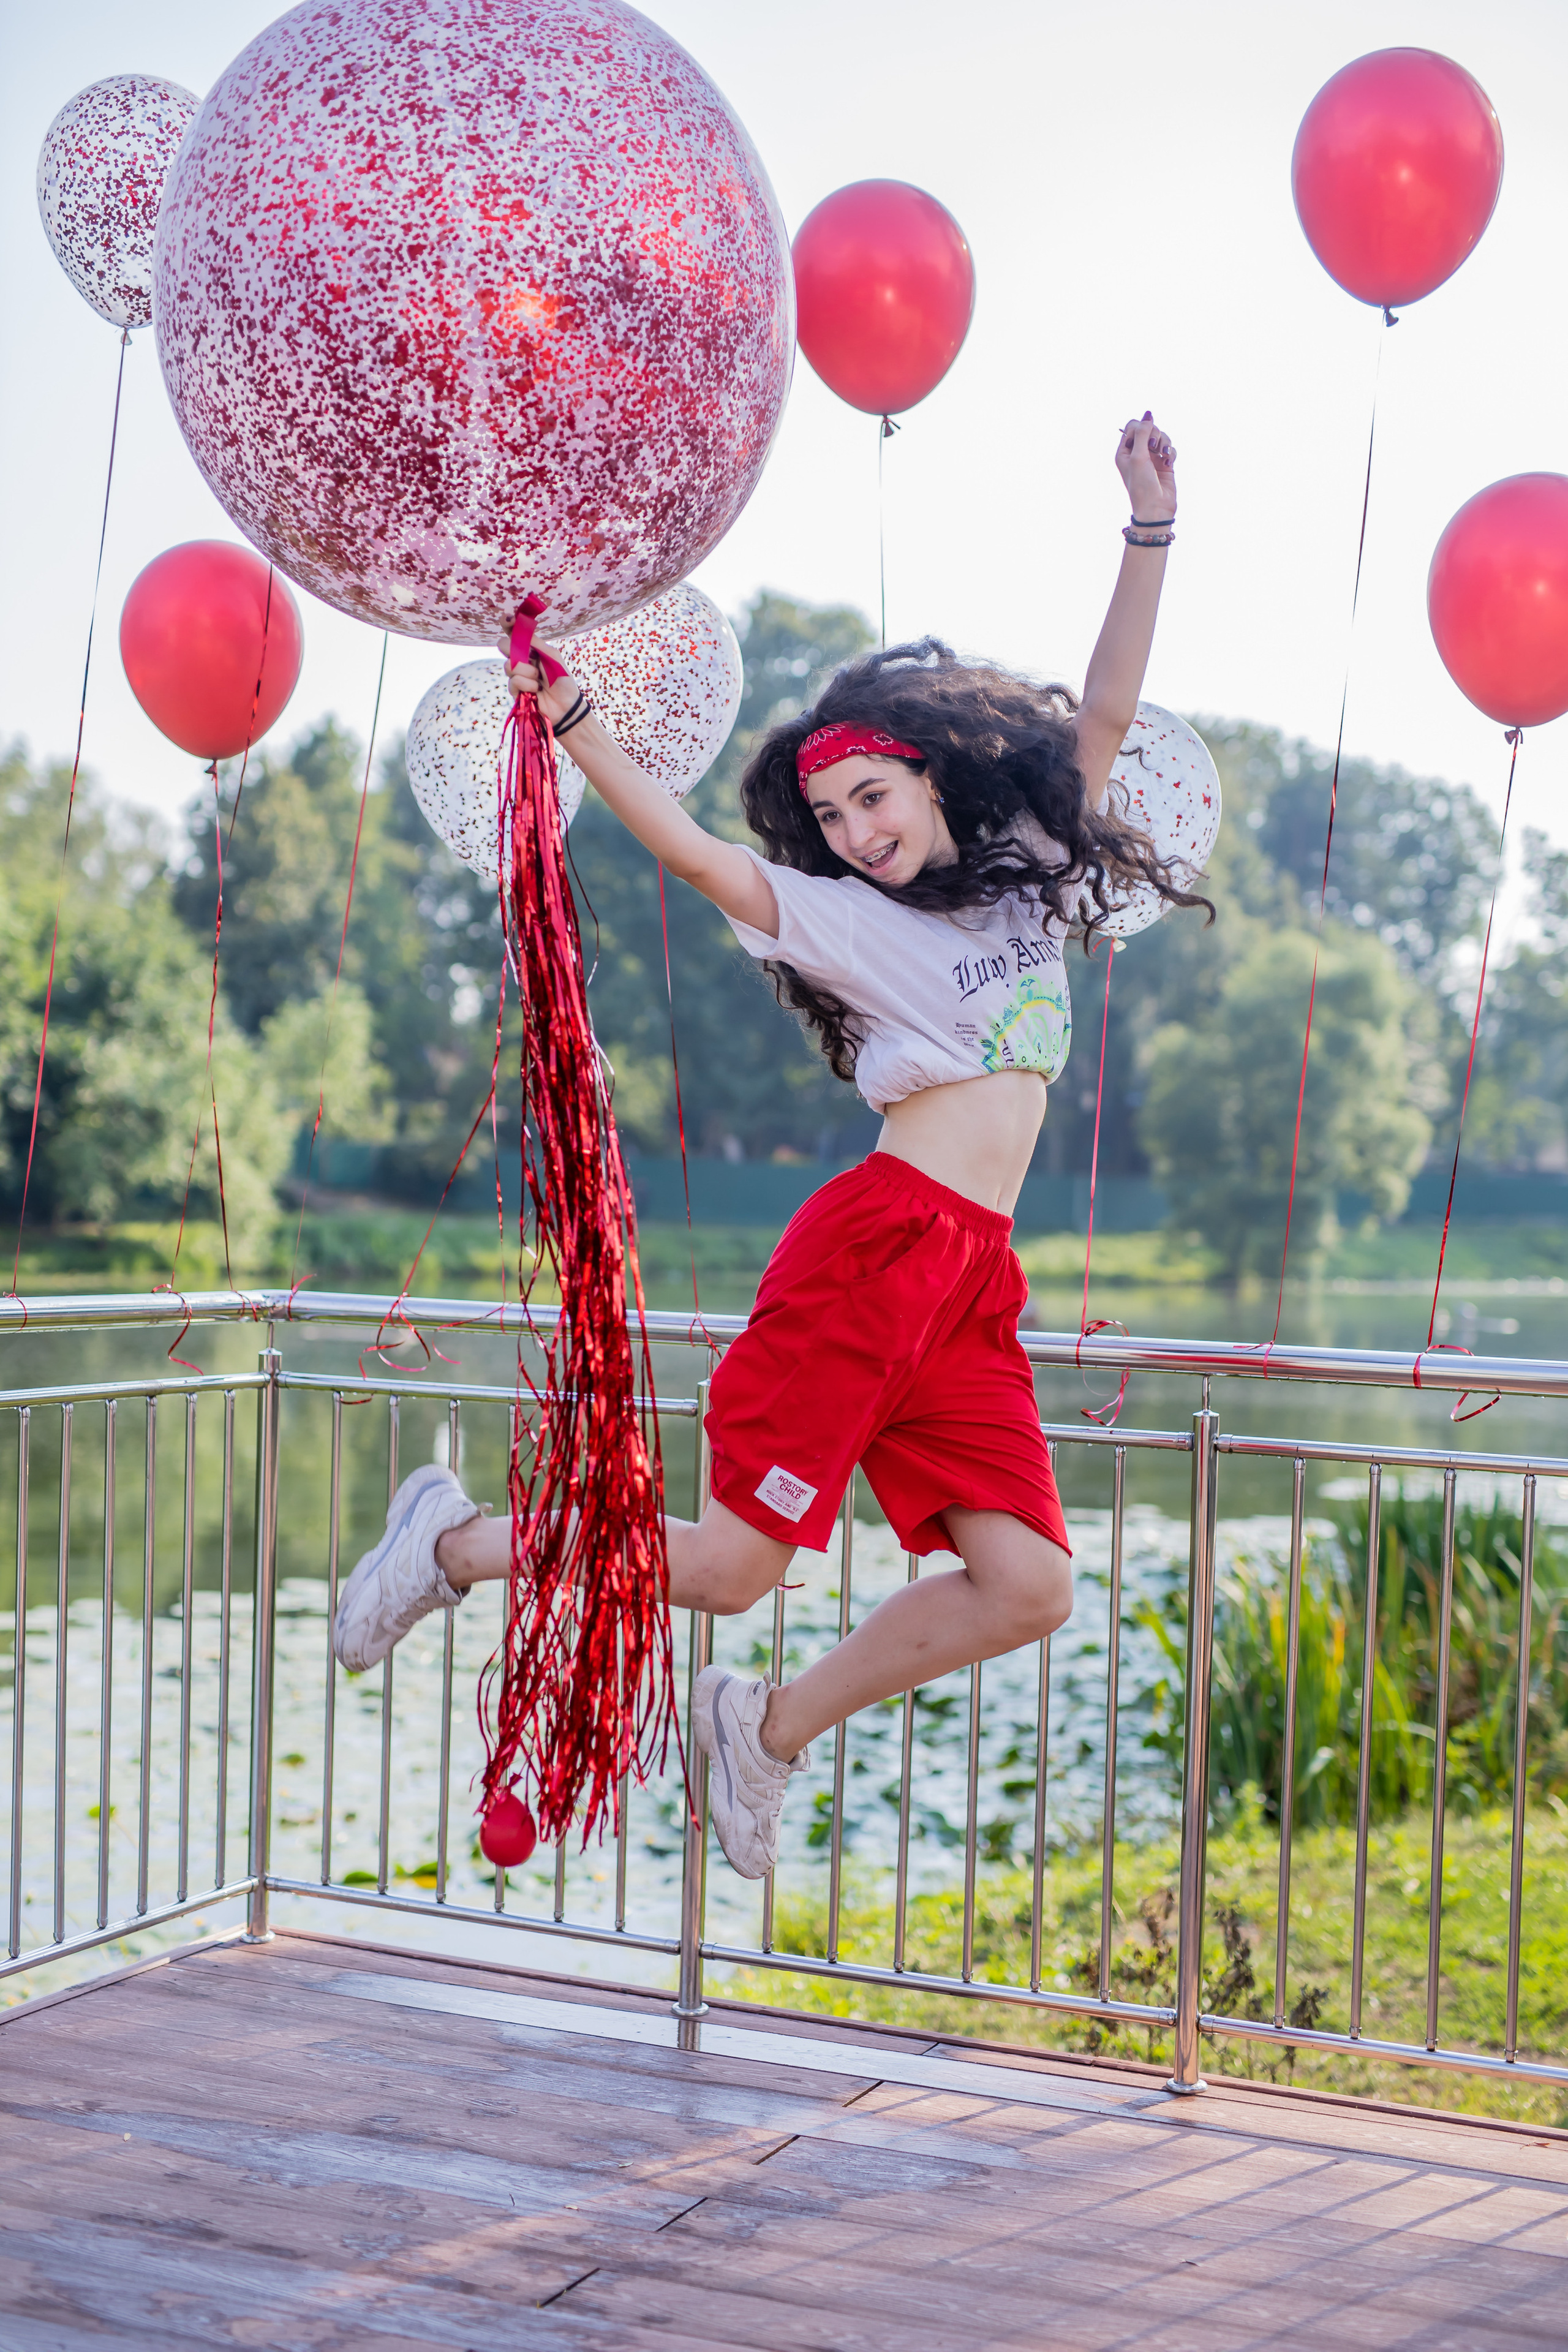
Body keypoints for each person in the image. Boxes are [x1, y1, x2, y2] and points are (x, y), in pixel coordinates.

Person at [333, 415, 1201, 1880]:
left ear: (934, 781)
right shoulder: (841, 921)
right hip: (878, 1254)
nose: (854, 829)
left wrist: (1149, 528)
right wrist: (573, 719)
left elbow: (1105, 707)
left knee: (1030, 1585)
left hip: (967, 1287)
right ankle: (455, 1541)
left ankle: (763, 1728)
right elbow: (685, 847)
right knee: (732, 1569)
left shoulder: (1027, 884)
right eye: (829, 814)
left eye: (873, 797)